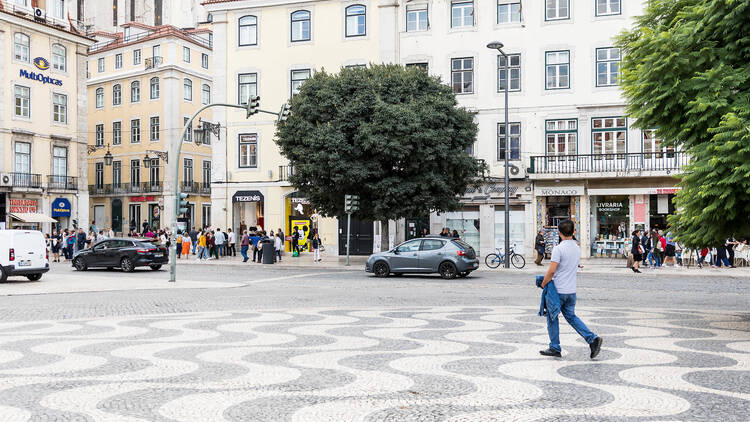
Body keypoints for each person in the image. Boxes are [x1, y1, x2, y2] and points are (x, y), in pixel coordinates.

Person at [539, 219, 602, 359]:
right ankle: (592, 339)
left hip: (558, 291)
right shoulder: (577, 248)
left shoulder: (559, 249)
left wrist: (543, 283)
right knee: (572, 317)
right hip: (571, 291)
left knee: (552, 318)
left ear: (559, 233)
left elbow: (551, 271)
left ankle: (555, 347)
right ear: (574, 231)